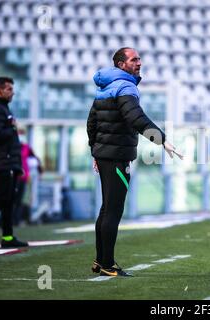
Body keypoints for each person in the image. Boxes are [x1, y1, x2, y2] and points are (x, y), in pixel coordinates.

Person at [87, 47, 182, 277]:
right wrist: (162, 139)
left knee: (106, 209)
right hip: (117, 156)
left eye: (139, 58)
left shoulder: (105, 87)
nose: (139, 62)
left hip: (105, 154)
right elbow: (135, 118)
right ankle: (107, 264)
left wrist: (95, 151)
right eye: (134, 59)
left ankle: (101, 261)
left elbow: (92, 122)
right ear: (121, 64)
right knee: (113, 210)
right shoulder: (126, 86)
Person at [0, 77, 28, 247]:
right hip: (2, 162)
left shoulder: (3, 108)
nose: (13, 92)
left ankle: (7, 237)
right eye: (9, 89)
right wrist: (12, 127)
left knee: (8, 200)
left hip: (7, 162)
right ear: (0, 91)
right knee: (2, 199)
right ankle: (7, 236)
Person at [13, 129, 43, 225]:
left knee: (20, 199)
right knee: (12, 199)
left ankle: (17, 220)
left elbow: (35, 159)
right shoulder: (12, 147)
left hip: (23, 177)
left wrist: (40, 171)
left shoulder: (26, 147)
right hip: (13, 177)